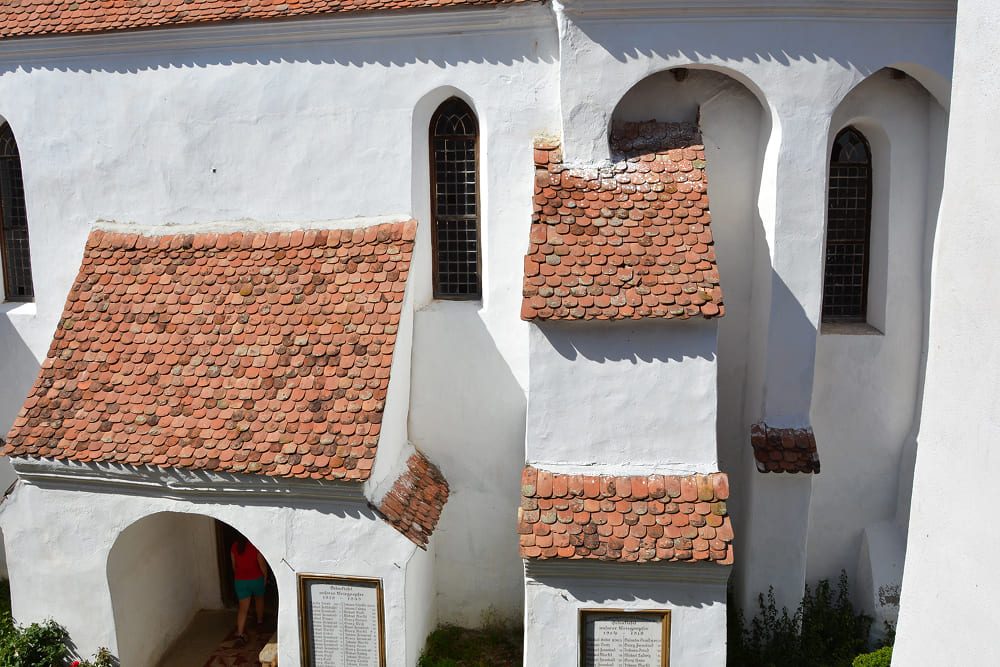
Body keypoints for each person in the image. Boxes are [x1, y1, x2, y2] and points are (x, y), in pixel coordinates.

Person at [230, 535, 268, 646]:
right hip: (256, 579)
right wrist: (265, 578)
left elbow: (234, 566)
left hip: (240, 581)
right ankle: (260, 622)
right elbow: (262, 566)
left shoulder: (234, 547)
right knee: (259, 599)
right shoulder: (255, 546)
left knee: (243, 609)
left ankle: (240, 634)